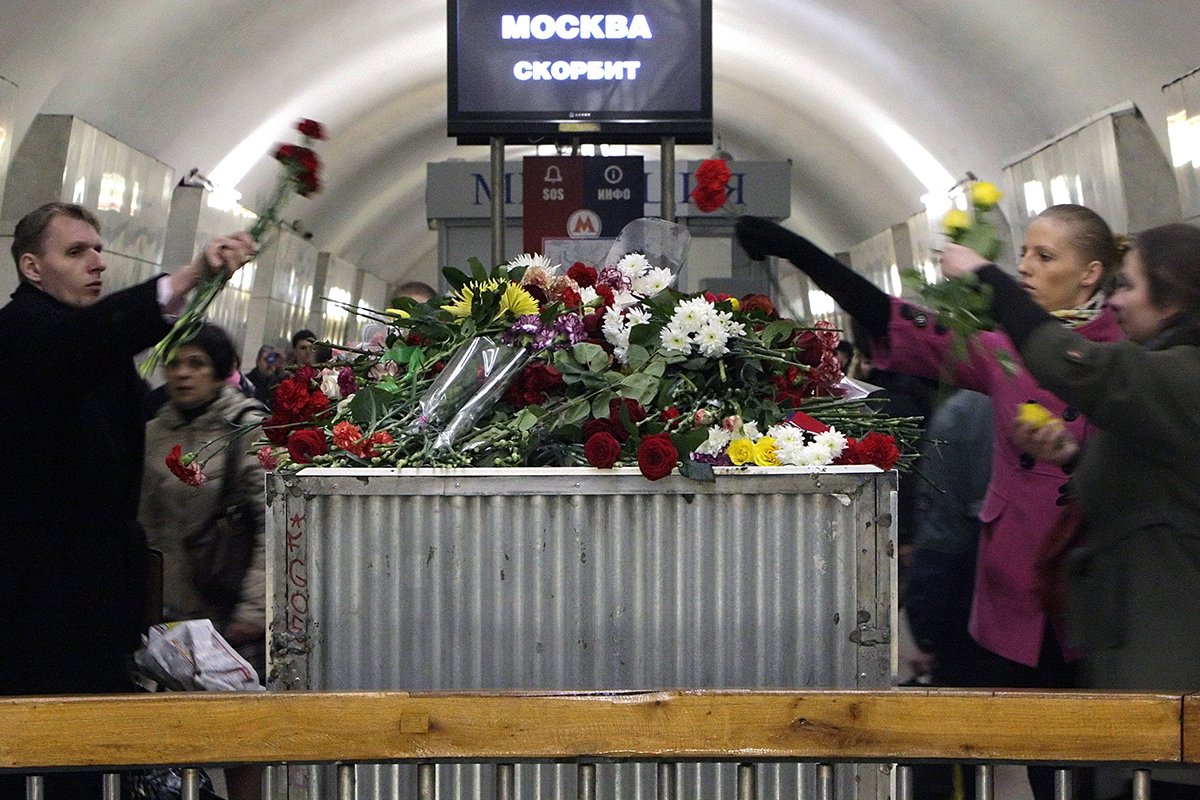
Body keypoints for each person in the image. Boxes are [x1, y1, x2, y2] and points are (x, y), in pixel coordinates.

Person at [737, 204, 1123, 800]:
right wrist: (801, 252)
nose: (1025, 266)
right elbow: (903, 326)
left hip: (1094, 597)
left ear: (1091, 274)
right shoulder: (1001, 351)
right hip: (1011, 591)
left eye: (1045, 257)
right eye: (1024, 252)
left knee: (1088, 768)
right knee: (986, 754)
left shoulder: (1122, 358)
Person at [0, 202, 254, 800]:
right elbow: (80, 345)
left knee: (86, 762)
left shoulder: (94, 343)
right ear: (31, 268)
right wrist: (187, 278)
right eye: (76, 252)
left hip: (95, 608)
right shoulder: (19, 336)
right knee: (44, 766)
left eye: (98, 248)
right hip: (36, 612)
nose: (97, 262)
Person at [943, 223, 1200, 799]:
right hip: (1135, 648)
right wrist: (1073, 453)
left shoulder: (1181, 373)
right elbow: (1157, 485)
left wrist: (988, 278)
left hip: (1171, 661)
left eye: (1128, 285)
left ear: (1175, 297)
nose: (1115, 300)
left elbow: (1073, 361)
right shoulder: (1163, 369)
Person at [139, 323, 266, 800]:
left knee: (240, 737)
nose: (183, 375)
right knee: (172, 737)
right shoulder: (153, 430)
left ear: (221, 372)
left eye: (196, 364)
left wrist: (254, 613)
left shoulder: (246, 428)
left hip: (227, 608)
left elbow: (269, 519)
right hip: (169, 612)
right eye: (174, 363)